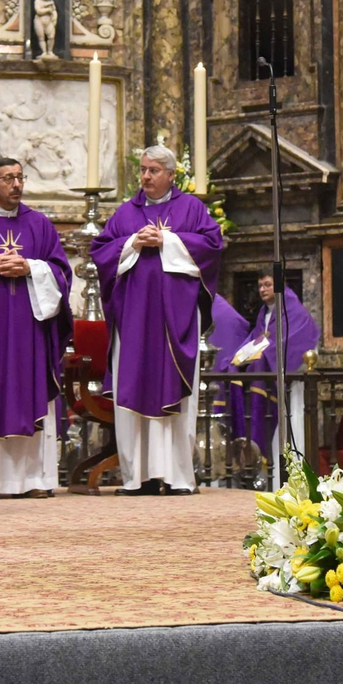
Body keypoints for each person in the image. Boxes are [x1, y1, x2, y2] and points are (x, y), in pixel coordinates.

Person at [90, 144, 223, 495]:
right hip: (133, 318)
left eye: (153, 170)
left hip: (176, 318)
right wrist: (133, 242)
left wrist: (167, 240)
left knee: (175, 389)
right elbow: (101, 251)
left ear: (171, 175)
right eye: (143, 170)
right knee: (132, 387)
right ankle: (137, 478)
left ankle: (178, 477)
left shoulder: (191, 208)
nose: (146, 177)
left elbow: (212, 247)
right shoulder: (126, 213)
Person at [0, 158, 73, 499]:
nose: (16, 184)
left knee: (29, 391)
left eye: (20, 177)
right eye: (8, 178)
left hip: (29, 330)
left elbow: (61, 271)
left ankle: (33, 479)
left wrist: (32, 268)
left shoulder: (40, 225)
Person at [223, 273, 319, 458]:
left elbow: (293, 342)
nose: (262, 289)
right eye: (260, 285)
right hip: (270, 378)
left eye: (267, 284)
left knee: (290, 426)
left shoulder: (293, 311)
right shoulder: (264, 313)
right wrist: (239, 357)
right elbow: (257, 340)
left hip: (289, 382)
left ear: (280, 285)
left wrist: (262, 355)